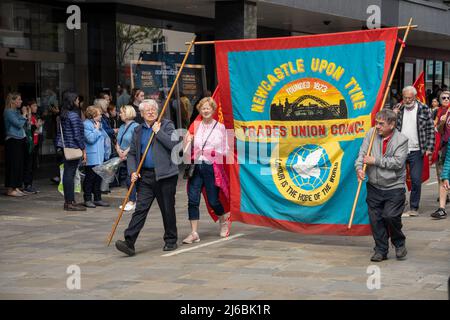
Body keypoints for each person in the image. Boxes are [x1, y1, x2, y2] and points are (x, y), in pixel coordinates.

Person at [115, 99, 180, 256]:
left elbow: (175, 146)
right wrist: (132, 171)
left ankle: (171, 240)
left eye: (153, 109)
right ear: (142, 114)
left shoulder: (167, 125)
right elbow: (131, 154)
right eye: (147, 110)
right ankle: (129, 241)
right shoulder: (138, 130)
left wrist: (159, 132)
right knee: (140, 209)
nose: (151, 112)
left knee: (167, 209)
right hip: (146, 176)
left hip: (165, 176)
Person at [355, 109, 409, 262]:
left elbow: (398, 163)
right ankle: (380, 249)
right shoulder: (371, 134)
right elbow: (362, 154)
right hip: (374, 186)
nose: (377, 127)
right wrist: (359, 168)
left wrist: (375, 161)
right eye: (376, 123)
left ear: (391, 125)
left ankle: (399, 243)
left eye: (381, 124)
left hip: (394, 186)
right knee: (376, 219)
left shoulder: (401, 140)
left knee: (390, 216)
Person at [182, 97, 230, 244]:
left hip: (212, 166)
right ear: (200, 111)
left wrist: (213, 152)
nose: (206, 110)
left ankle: (223, 221)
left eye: (208, 108)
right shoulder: (195, 126)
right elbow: (186, 151)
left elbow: (225, 148)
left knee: (213, 200)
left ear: (213, 109)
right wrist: (187, 142)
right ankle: (194, 232)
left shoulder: (220, 127)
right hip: (196, 166)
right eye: (203, 108)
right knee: (192, 199)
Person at [391, 86, 435, 216]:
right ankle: (399, 204)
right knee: (397, 179)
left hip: (417, 149)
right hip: (400, 149)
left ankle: (414, 207)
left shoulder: (424, 108)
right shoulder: (398, 108)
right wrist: (393, 115)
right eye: (405, 98)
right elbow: (389, 126)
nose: (407, 100)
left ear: (415, 97)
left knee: (416, 180)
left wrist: (429, 148)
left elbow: (430, 129)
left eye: (410, 98)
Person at [55, 90, 86, 211]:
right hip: (73, 147)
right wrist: (83, 148)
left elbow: (59, 133)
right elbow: (77, 135)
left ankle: (70, 201)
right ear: (73, 101)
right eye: (77, 99)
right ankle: (70, 202)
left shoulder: (63, 115)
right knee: (70, 174)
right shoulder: (73, 115)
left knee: (68, 173)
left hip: (65, 147)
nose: (78, 101)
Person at [82, 106, 111, 208]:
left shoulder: (99, 124)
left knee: (98, 178)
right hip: (92, 157)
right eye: (99, 114)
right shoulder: (86, 124)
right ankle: (87, 199)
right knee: (90, 178)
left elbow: (104, 138)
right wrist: (97, 130)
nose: (101, 115)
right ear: (93, 115)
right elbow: (90, 139)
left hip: (100, 156)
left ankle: (98, 199)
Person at [3, 92, 27, 197]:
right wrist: (24, 114)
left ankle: (16, 187)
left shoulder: (16, 112)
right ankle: (10, 188)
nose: (21, 101)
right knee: (13, 165)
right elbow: (19, 124)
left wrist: (24, 116)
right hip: (12, 140)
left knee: (19, 164)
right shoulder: (8, 112)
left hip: (20, 139)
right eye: (19, 99)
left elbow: (24, 124)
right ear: (13, 101)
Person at [116, 105, 139, 211]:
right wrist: (118, 149)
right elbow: (118, 141)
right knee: (127, 178)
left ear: (127, 113)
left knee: (131, 178)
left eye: (121, 112)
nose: (119, 114)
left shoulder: (136, 126)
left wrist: (126, 152)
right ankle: (132, 199)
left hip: (130, 156)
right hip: (123, 156)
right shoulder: (121, 127)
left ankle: (132, 200)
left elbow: (136, 143)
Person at [431, 91, 450, 219]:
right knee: (443, 176)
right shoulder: (438, 113)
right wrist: (441, 123)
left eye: (449, 97)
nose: (446, 99)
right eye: (443, 98)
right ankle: (442, 208)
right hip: (444, 148)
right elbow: (438, 130)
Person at [23, 100, 43, 194]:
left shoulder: (35, 116)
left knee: (32, 165)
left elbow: (38, 131)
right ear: (29, 107)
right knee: (28, 165)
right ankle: (26, 185)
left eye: (36, 106)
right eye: (34, 105)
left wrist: (38, 127)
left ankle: (30, 184)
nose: (36, 107)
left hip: (35, 142)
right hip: (29, 144)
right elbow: (29, 129)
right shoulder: (27, 116)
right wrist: (36, 126)